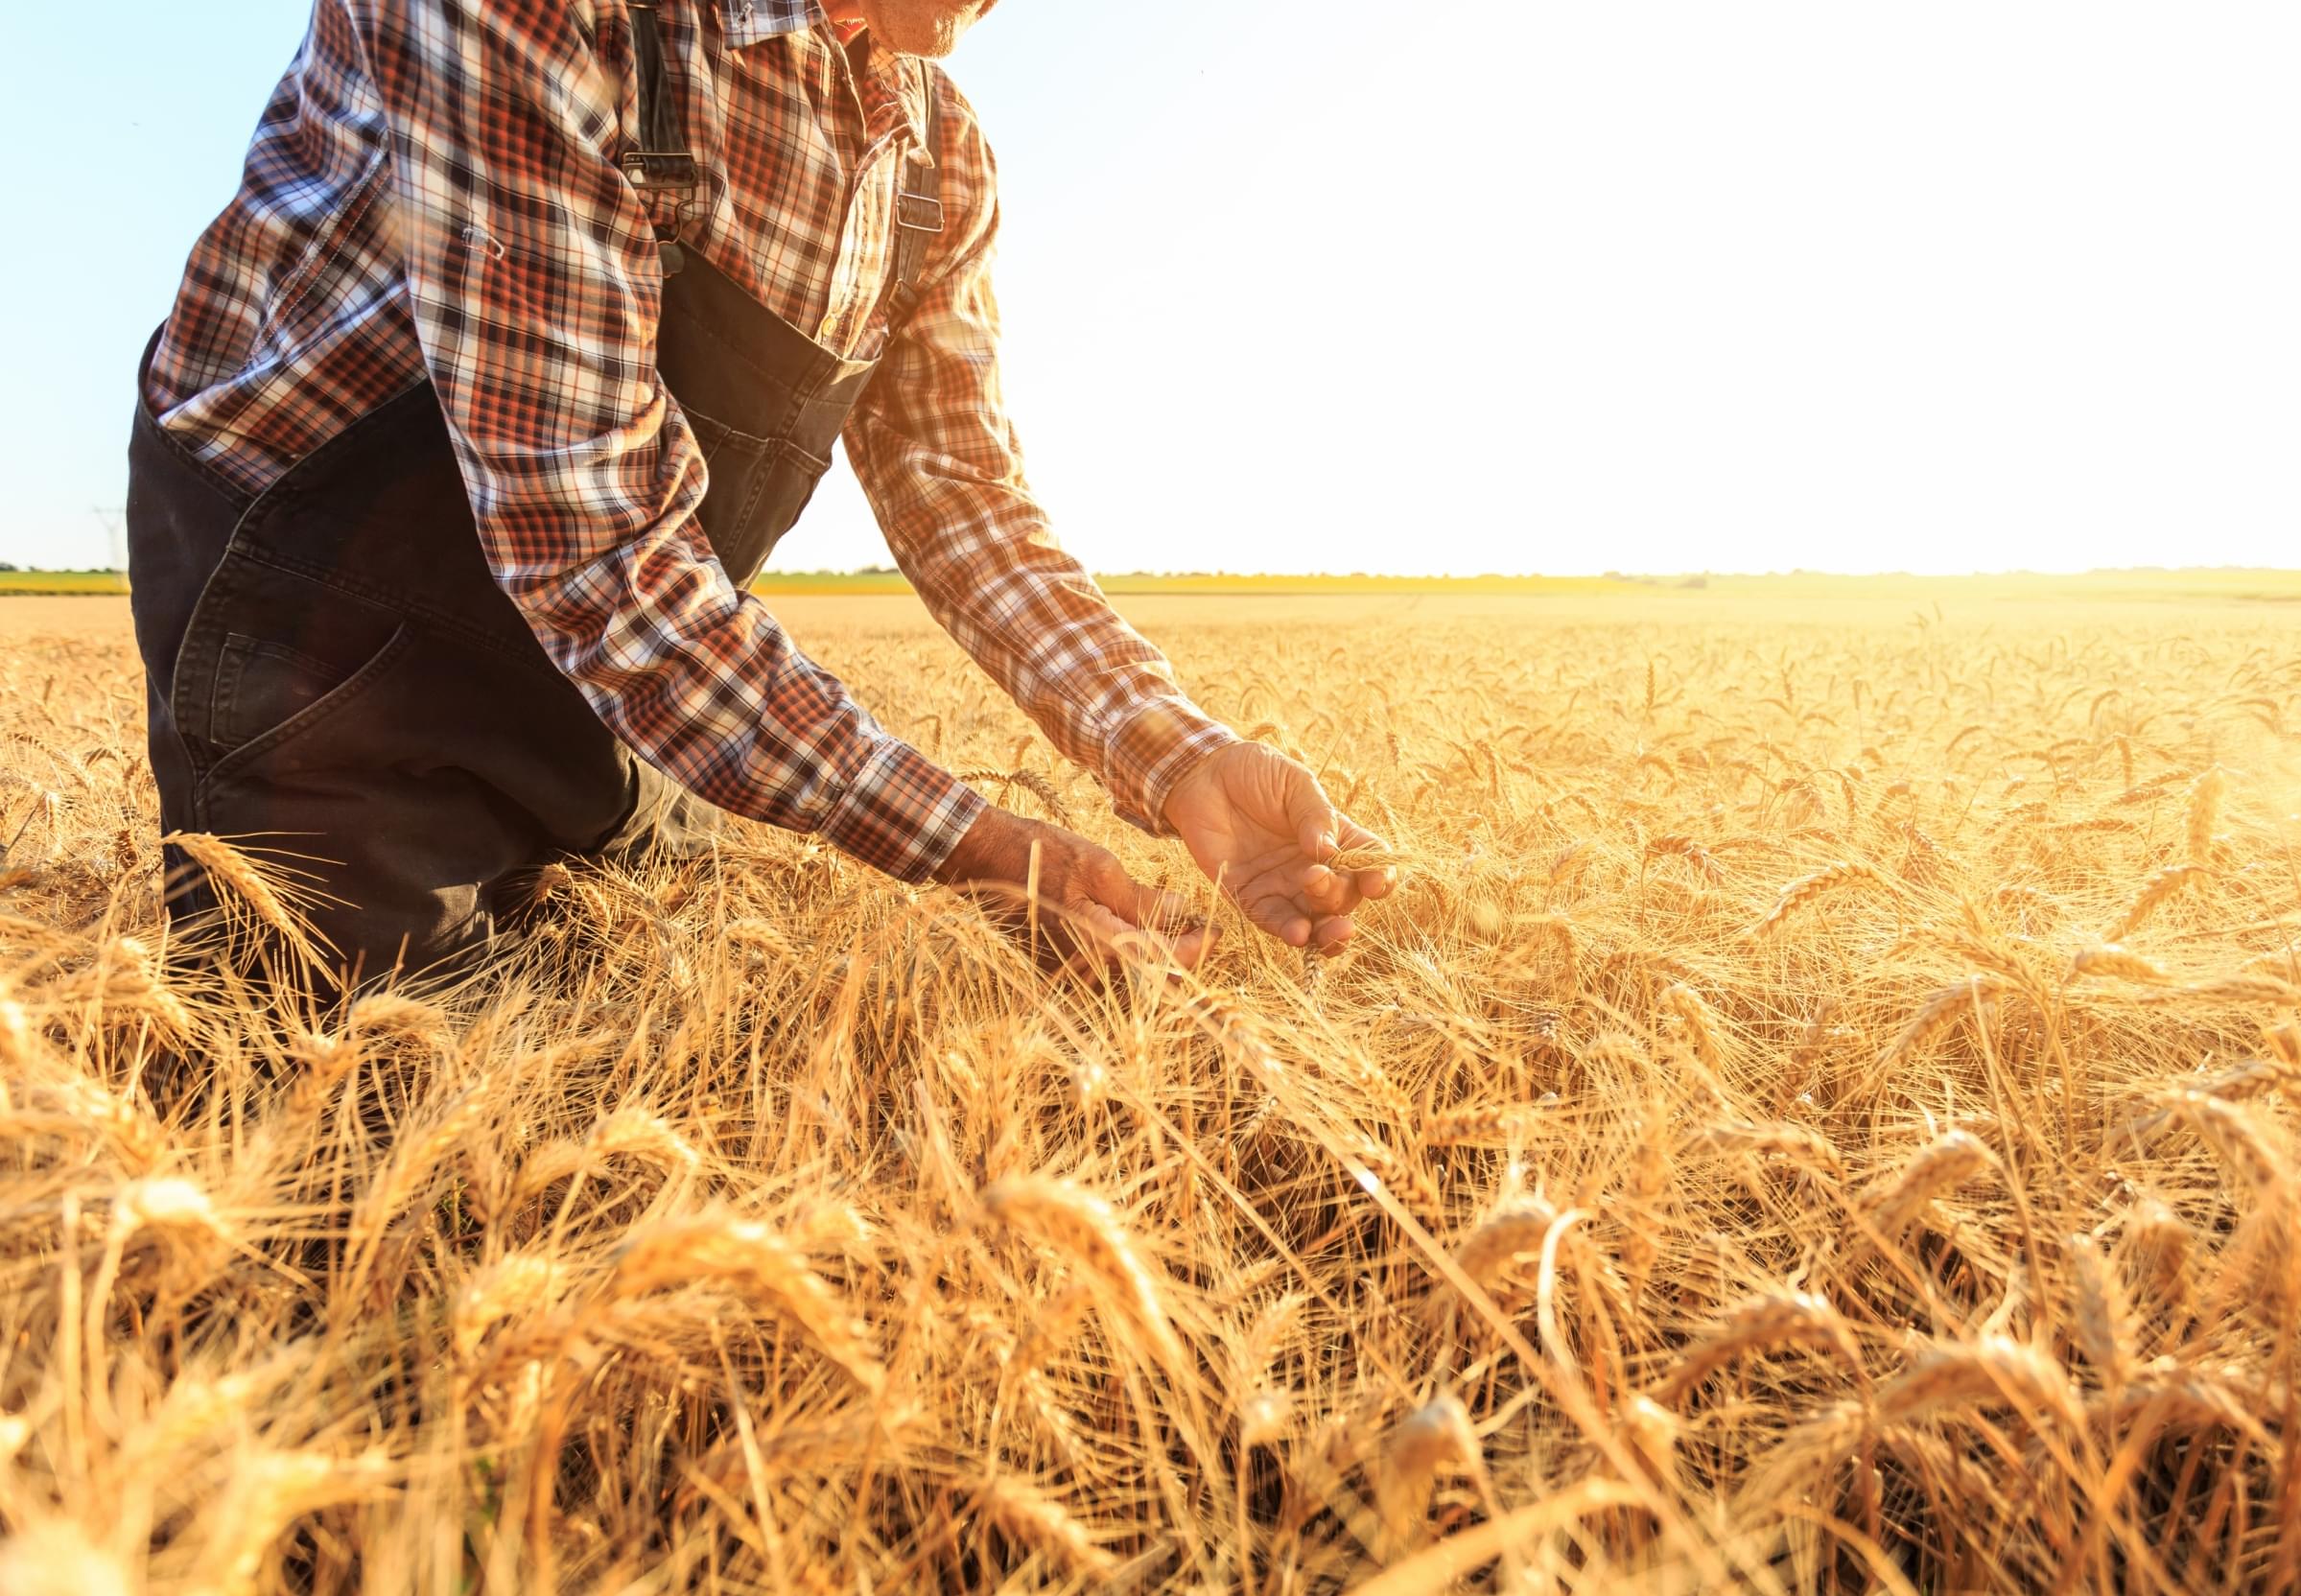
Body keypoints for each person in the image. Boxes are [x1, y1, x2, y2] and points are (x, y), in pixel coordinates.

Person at [127, 0, 1394, 987]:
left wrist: (1176, 754)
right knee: (388, 1157)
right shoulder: (552, 17)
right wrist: (979, 849)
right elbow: (597, 550)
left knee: (669, 1061)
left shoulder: (935, 159)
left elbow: (961, 497)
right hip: (319, 673)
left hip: (618, 701)